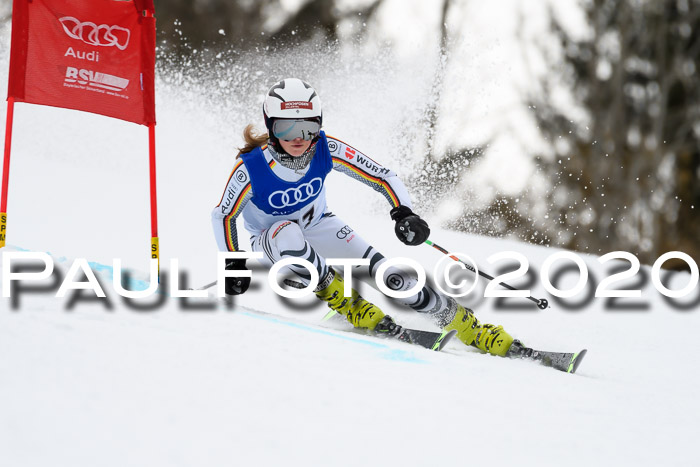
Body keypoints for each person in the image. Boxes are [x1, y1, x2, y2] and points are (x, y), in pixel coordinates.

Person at [211, 77, 518, 357]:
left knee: (392, 277)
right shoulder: (252, 168)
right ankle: (349, 304)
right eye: (286, 128)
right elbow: (223, 216)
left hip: (318, 226)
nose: (298, 138)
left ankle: (467, 326)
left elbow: (381, 176)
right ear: (271, 126)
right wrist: (233, 264)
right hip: (272, 246)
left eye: (307, 127)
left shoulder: (325, 149)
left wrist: (403, 212)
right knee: (287, 231)